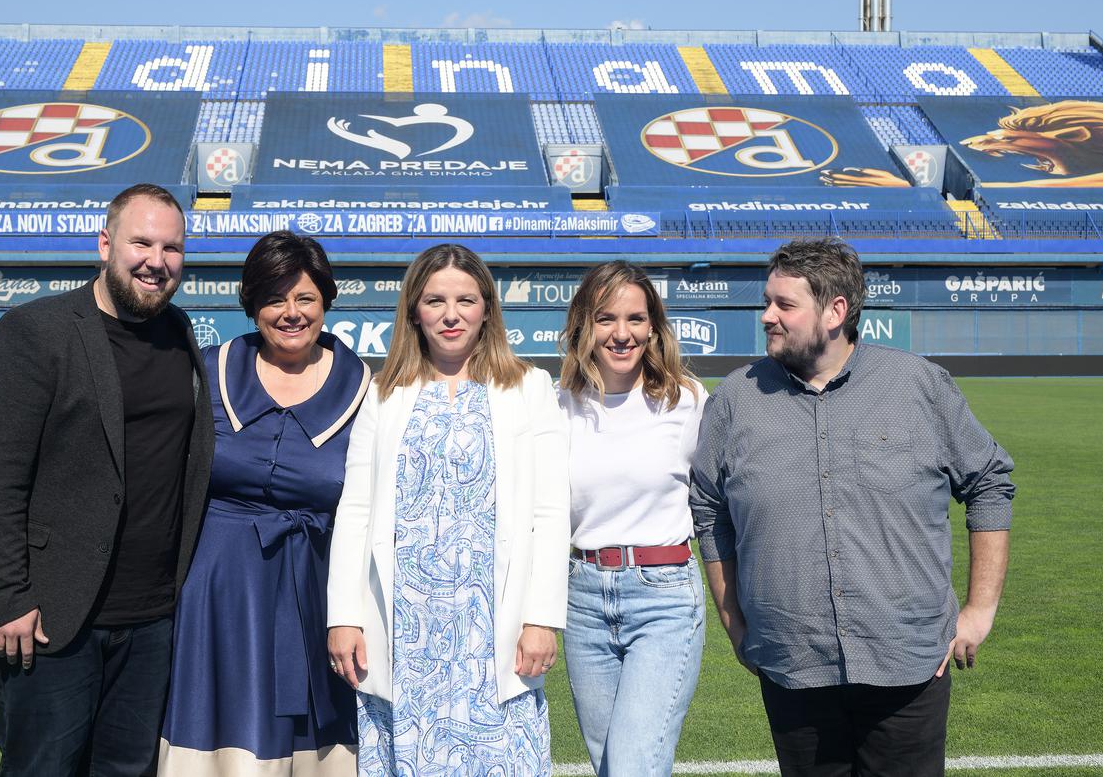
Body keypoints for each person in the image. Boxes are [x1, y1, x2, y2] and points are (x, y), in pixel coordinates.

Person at [691, 237, 1016, 777]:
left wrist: (980, 611)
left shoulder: (918, 386)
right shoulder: (734, 400)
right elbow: (709, 510)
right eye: (767, 301)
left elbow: (988, 483)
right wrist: (734, 621)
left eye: (784, 305)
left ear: (836, 311)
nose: (767, 316)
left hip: (907, 665)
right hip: (792, 665)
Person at [0, 183, 215, 776]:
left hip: (151, 620)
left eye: (172, 248)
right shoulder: (35, 331)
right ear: (105, 243)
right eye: (141, 242)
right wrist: (7, 600)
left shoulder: (179, 333)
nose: (157, 260)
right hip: (49, 619)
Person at [326, 243, 569, 776]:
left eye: (466, 300)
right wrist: (344, 615)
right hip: (406, 627)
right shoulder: (384, 390)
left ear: (487, 308)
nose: (451, 314)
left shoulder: (528, 387)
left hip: (493, 628)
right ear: (414, 308)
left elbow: (551, 510)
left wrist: (541, 618)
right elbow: (356, 507)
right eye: (435, 300)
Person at [159, 231, 370, 775]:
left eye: (305, 298)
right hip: (216, 593)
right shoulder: (208, 369)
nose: (291, 312)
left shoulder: (369, 388)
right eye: (275, 298)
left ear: (326, 300)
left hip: (319, 595)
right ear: (251, 303)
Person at [557, 260, 708, 777]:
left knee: (633, 766)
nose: (622, 334)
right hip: (582, 600)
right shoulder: (559, 407)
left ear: (653, 326)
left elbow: (717, 503)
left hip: (663, 596)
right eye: (606, 319)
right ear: (583, 326)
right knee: (608, 768)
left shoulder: (686, 401)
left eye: (635, 319)